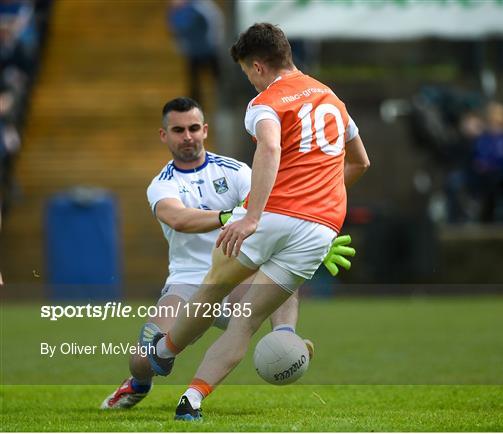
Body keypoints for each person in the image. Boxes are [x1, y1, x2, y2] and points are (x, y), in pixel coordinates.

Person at [147, 24, 370, 420]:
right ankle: (192, 399)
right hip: (320, 229)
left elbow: (269, 146)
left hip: (272, 215)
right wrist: (318, 201)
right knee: (246, 324)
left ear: (257, 66)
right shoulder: (332, 98)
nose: (250, 81)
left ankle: (164, 352)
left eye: (248, 73)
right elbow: (360, 162)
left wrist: (251, 217)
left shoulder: (266, 102)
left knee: (209, 295)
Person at [100, 97, 354, 409]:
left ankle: (285, 337)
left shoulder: (235, 171)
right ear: (164, 136)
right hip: (188, 283)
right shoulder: (161, 184)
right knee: (143, 357)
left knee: (280, 274)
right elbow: (179, 219)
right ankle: (138, 384)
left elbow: (270, 209)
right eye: (178, 130)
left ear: (205, 130)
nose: (188, 136)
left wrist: (313, 240)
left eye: (194, 128)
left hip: (236, 275)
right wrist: (230, 215)